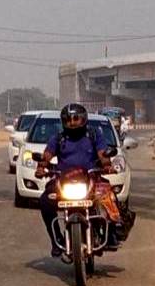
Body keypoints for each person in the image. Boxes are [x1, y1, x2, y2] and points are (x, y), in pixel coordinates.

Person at [35, 103, 116, 256]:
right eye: (68, 119)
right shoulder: (58, 138)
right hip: (63, 182)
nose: (72, 122)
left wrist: (107, 165)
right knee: (45, 201)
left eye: (75, 119)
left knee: (109, 195)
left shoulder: (93, 134)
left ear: (83, 119)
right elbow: (47, 155)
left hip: (90, 178)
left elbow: (103, 154)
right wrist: (41, 168)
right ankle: (56, 239)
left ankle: (111, 232)